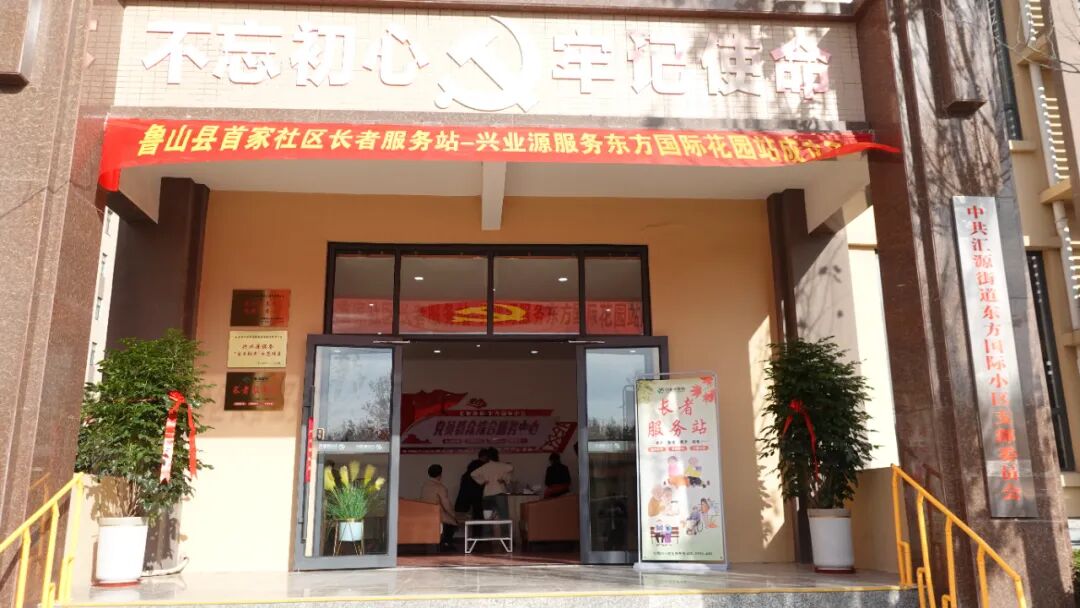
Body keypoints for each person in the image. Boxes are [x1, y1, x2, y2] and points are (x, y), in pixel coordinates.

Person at [421, 464, 458, 550]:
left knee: (448, 519)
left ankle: (443, 542)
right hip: (436, 513)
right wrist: (453, 515)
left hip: (425, 511)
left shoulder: (425, 485)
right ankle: (446, 543)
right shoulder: (440, 487)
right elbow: (446, 505)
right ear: (440, 475)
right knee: (453, 522)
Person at [470, 447, 514, 519]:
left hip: (487, 493)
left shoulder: (485, 466)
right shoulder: (501, 465)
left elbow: (473, 474)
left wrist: (482, 481)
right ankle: (505, 527)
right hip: (499, 492)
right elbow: (511, 467)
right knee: (503, 515)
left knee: (488, 517)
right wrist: (504, 479)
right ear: (496, 455)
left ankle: (488, 526)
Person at [455, 448, 489, 519]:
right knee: (477, 513)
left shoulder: (472, 464)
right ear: (485, 457)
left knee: (463, 513)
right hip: (476, 491)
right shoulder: (483, 466)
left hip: (466, 491)